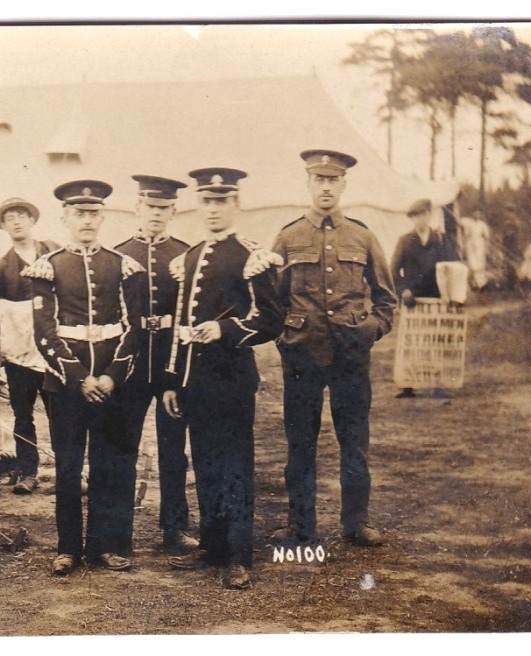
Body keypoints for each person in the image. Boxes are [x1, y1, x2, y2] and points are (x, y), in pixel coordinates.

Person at [162, 168, 285, 590]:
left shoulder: (251, 255)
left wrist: (226, 330)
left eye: (221, 202)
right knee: (206, 462)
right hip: (196, 381)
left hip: (232, 380)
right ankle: (211, 547)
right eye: (207, 202)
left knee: (235, 466)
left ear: (236, 205)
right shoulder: (191, 257)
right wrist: (173, 381)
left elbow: (271, 320)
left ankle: (237, 555)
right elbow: (180, 323)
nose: (212, 210)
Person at [270, 150, 397, 548]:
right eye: (318, 180)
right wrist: (284, 336)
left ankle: (355, 523)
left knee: (355, 443)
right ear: (308, 184)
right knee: (300, 445)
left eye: (333, 181)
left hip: (350, 359)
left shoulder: (362, 236)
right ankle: (301, 526)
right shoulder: (289, 237)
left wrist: (369, 331)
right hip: (302, 357)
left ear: (343, 185)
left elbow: (387, 299)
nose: (325, 188)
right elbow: (272, 300)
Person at [22, 179, 144, 575]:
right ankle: (68, 547)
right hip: (66, 385)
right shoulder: (48, 267)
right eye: (79, 213)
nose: (87, 220)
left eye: (93, 213)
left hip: (113, 382)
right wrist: (79, 378)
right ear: (65, 217)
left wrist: (110, 376)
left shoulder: (122, 265)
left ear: (103, 216)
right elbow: (44, 331)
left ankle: (108, 546)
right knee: (69, 466)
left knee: (112, 463)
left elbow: (135, 328)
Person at [114, 175, 198, 556]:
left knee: (173, 450)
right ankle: (119, 532)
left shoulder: (184, 255)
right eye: (150, 207)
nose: (156, 215)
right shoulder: (119, 255)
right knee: (122, 447)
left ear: (173, 211)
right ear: (137, 208)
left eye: (163, 208)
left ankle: (175, 528)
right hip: (131, 366)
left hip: (170, 364)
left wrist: (177, 373)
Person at [0, 197, 59, 494]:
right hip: (20, 356)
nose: (16, 221)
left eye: (21, 216)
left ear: (32, 220)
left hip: (55, 352)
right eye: (9, 218)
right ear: (4, 226)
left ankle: (69, 472)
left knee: (61, 413)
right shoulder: (1, 266)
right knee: (23, 414)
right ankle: (28, 472)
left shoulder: (54, 252)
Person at [389, 197, 455, 399]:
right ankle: (408, 385)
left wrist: (451, 293)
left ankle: (438, 384)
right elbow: (393, 270)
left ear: (429, 215)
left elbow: (452, 267)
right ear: (412, 219)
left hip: (437, 299)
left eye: (423, 215)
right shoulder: (405, 241)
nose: (420, 220)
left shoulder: (441, 240)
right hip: (413, 300)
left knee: (437, 340)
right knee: (411, 342)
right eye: (415, 216)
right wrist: (403, 290)